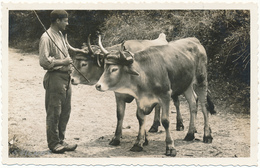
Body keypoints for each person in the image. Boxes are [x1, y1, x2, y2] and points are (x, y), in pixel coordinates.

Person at [39, 10, 77, 154]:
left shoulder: (60, 34)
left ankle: (61, 140)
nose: (67, 23)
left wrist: (68, 64)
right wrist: (64, 61)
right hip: (55, 78)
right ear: (57, 21)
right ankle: (54, 144)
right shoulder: (46, 37)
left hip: (65, 78)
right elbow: (43, 61)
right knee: (54, 112)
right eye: (65, 20)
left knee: (65, 112)